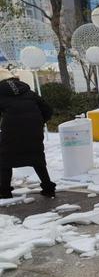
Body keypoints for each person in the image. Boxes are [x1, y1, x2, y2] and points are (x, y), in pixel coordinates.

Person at [0, 69, 56, 199]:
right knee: (37, 157)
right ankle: (48, 188)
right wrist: (38, 122)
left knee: (5, 160)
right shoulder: (28, 92)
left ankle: (5, 191)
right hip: (33, 129)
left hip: (11, 131)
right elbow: (47, 109)